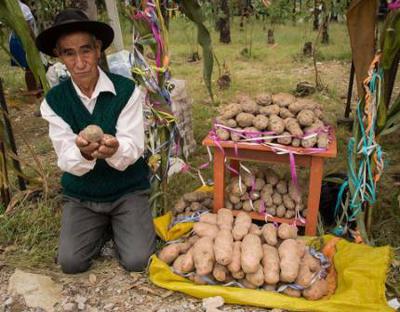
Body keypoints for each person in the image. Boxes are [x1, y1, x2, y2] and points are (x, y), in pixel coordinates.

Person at [35, 8, 156, 274]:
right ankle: (101, 228)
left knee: (137, 260)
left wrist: (114, 149)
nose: (80, 62)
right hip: (82, 196)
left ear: (98, 49)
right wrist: (85, 153)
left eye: (86, 50)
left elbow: (133, 147)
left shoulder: (126, 91)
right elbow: (66, 157)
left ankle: (118, 225)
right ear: (59, 55)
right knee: (70, 262)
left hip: (127, 191)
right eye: (69, 53)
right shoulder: (54, 101)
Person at [9, 0, 44, 93]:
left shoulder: (12, 6)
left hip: (14, 38)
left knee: (29, 66)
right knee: (30, 65)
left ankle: (35, 87)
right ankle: (33, 89)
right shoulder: (23, 8)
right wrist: (34, 41)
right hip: (24, 39)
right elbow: (27, 27)